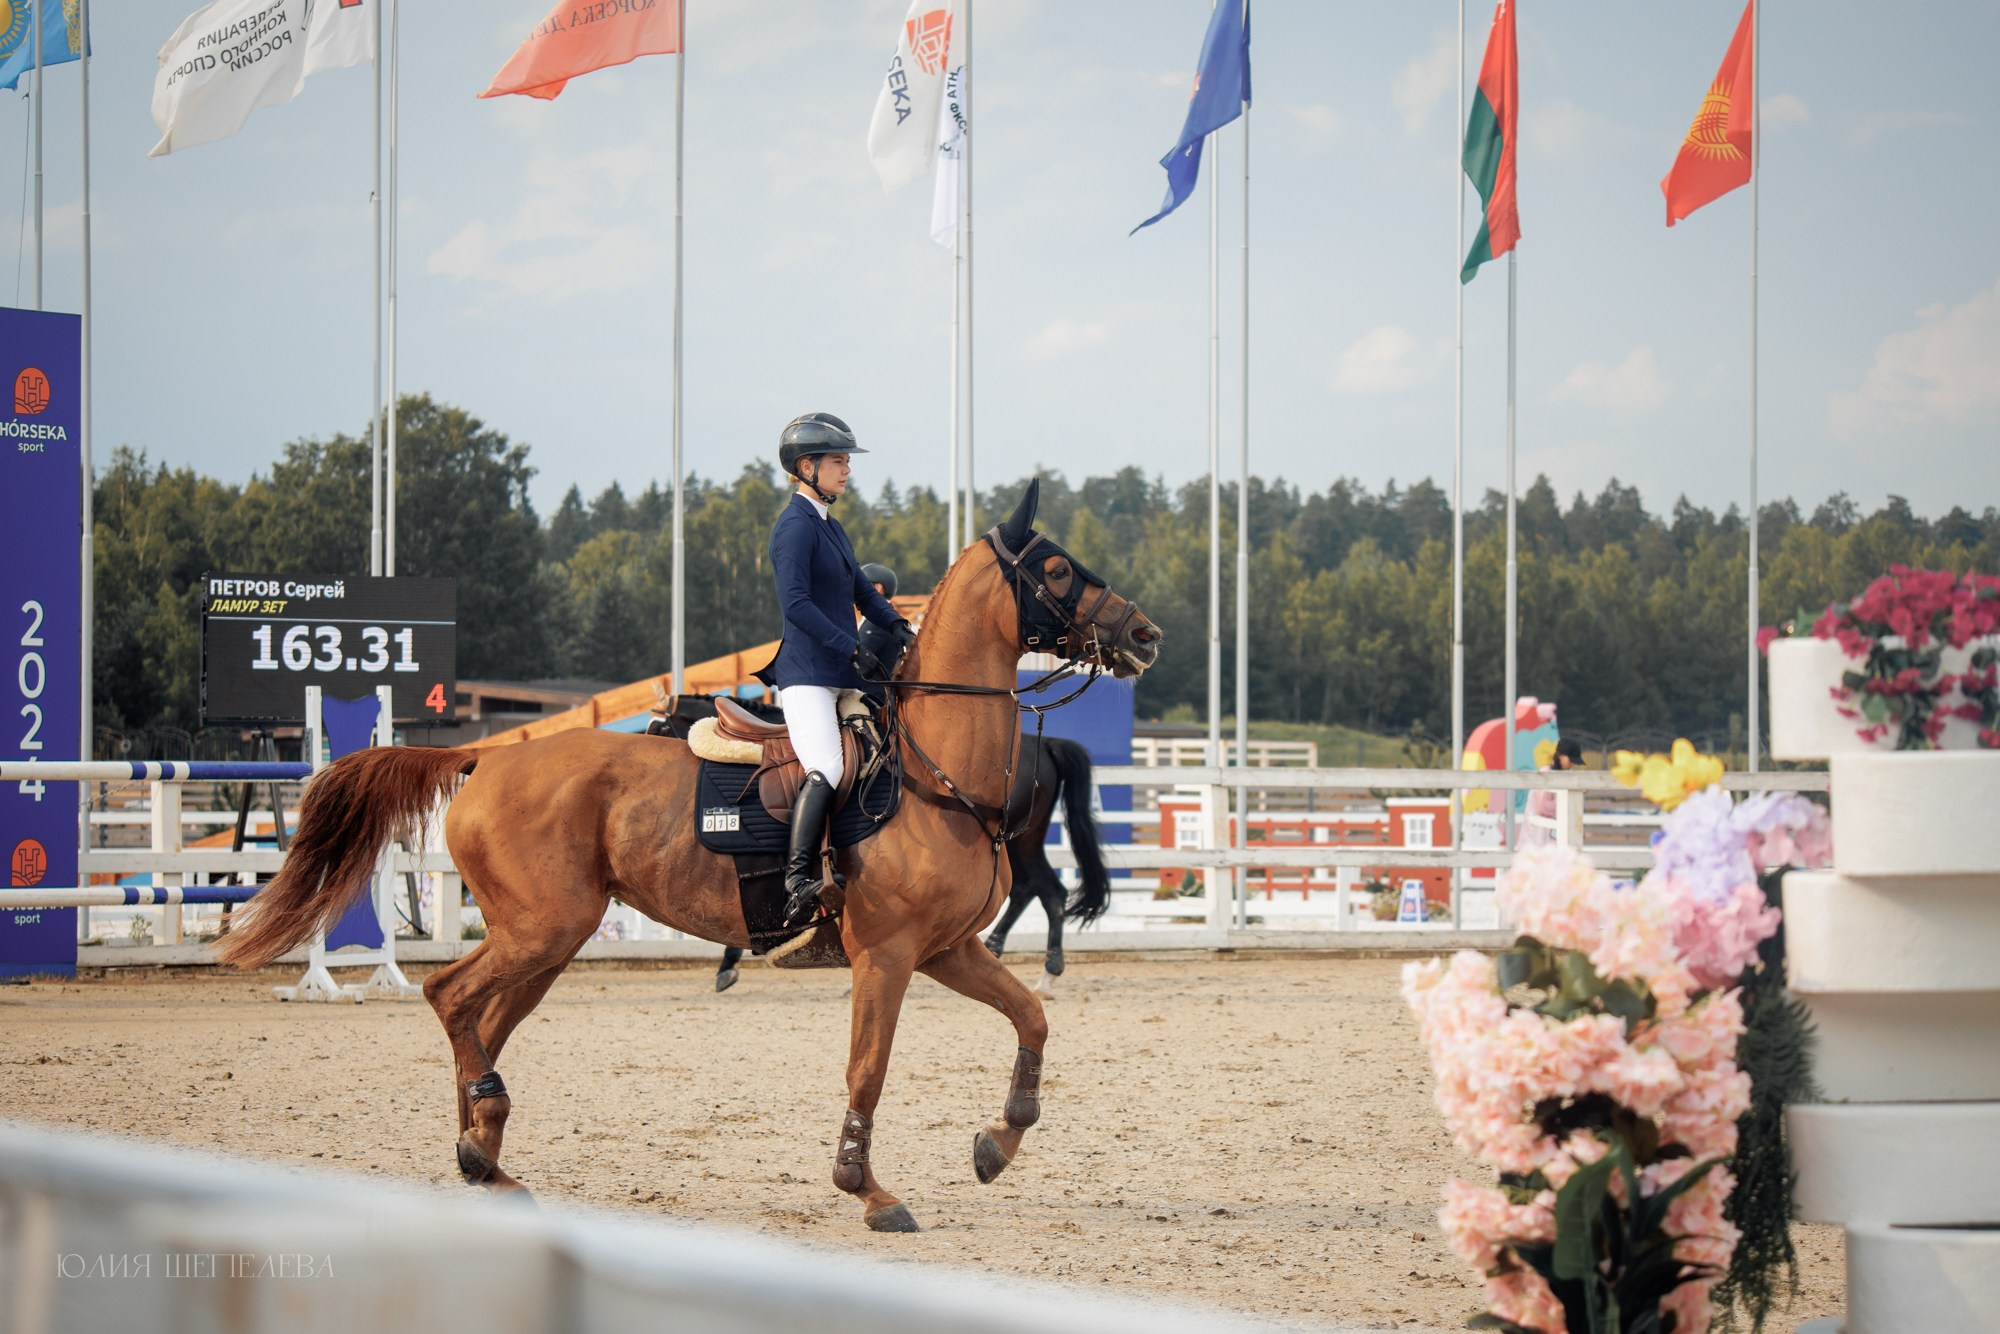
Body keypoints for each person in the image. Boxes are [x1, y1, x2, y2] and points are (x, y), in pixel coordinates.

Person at [755, 413, 915, 931]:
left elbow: (862, 592)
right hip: (806, 675)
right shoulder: (793, 528)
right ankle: (799, 878)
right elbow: (797, 606)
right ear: (808, 466)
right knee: (827, 764)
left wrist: (901, 626)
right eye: (839, 461)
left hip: (841, 674)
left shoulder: (831, 526)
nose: (847, 470)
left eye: (846, 461)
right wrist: (853, 647)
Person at [1517, 737, 1584, 849]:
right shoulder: (1545, 774)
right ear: (1561, 756)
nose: (1572, 764)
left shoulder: (1564, 775)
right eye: (1570, 760)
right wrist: (1569, 794)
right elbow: (1543, 807)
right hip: (1538, 834)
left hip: (1550, 834)